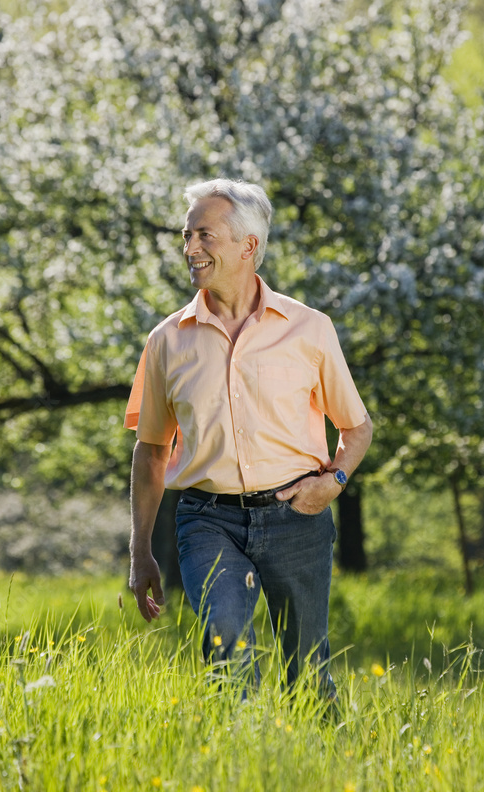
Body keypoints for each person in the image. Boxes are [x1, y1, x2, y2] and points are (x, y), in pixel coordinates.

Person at [125, 178, 372, 694]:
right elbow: (151, 451)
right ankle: (237, 758)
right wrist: (140, 549)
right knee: (225, 639)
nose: (189, 248)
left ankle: (320, 765)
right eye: (187, 235)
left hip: (296, 517)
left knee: (307, 668)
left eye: (204, 236)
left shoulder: (308, 328)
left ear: (248, 246)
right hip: (207, 520)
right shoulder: (167, 340)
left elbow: (356, 427)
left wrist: (336, 480)